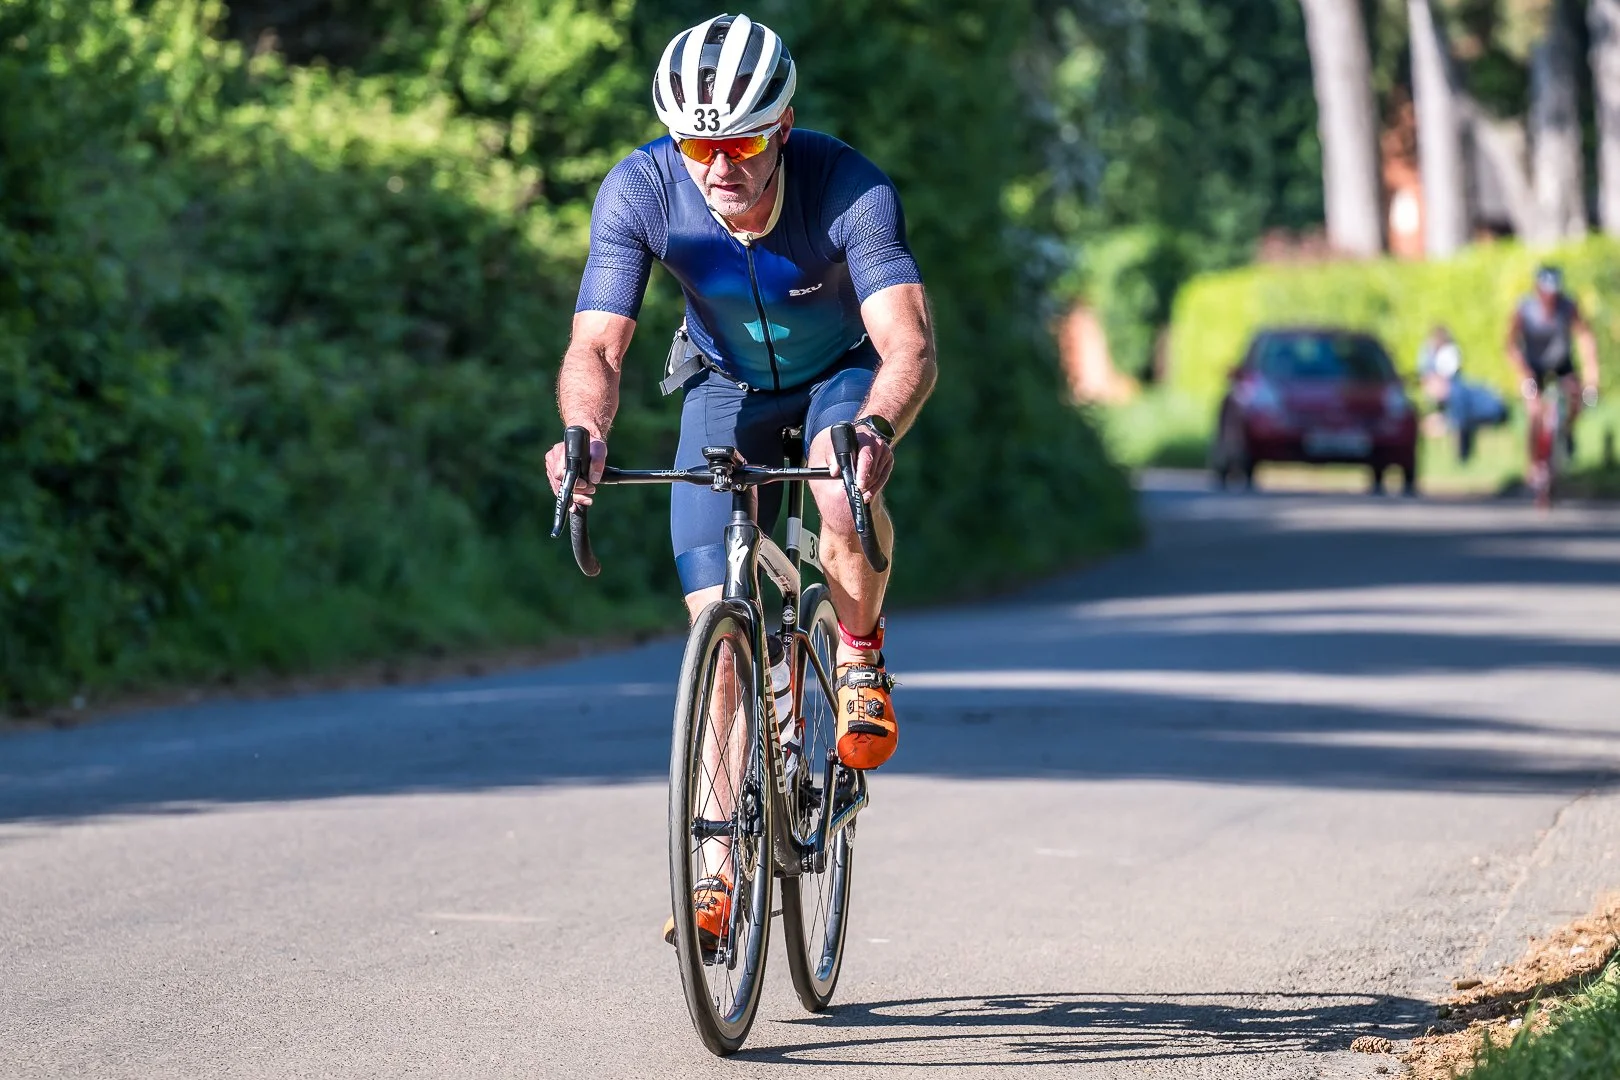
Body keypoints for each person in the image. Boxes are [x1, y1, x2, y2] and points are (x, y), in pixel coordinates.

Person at [543, 14, 937, 945]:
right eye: (697, 145)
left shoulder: (849, 189)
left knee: (838, 489)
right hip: (724, 385)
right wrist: (585, 434)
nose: (718, 166)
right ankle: (718, 867)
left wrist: (877, 426)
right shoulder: (643, 188)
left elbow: (908, 343)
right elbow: (596, 347)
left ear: (783, 127)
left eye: (742, 144)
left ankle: (858, 651)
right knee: (716, 629)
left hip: (840, 374)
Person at [1507, 265, 1601, 461]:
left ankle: (1567, 431)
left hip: (1561, 364)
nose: (1550, 298)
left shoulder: (1568, 307)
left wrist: (1591, 374)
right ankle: (1534, 464)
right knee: (1534, 412)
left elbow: (1585, 336)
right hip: (1533, 368)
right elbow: (1510, 344)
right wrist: (1523, 371)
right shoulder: (1524, 309)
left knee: (1577, 396)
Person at [1416, 325, 1506, 463]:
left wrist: (1438, 425)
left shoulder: (1456, 392)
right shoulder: (1456, 387)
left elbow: (1458, 425)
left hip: (1495, 411)